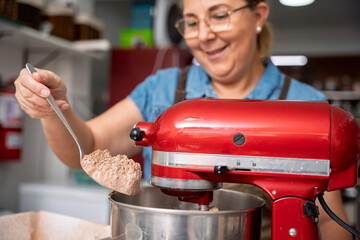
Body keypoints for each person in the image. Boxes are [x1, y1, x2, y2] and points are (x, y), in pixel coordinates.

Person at [14, 0, 352, 239]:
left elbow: (329, 224)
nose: (203, 35)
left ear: (258, 14)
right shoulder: (162, 88)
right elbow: (84, 148)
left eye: (219, 15)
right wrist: (54, 110)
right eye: (191, 22)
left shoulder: (305, 108)